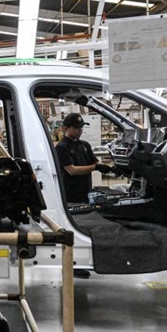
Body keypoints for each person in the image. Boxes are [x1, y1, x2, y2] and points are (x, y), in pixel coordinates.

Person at [55, 113, 112, 279]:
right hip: (70, 195)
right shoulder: (62, 148)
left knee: (83, 228)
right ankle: (72, 265)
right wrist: (95, 168)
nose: (79, 131)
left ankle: (81, 261)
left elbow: (94, 162)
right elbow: (71, 170)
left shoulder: (85, 145)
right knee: (72, 230)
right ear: (66, 128)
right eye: (76, 128)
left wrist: (104, 167)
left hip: (84, 193)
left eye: (81, 128)